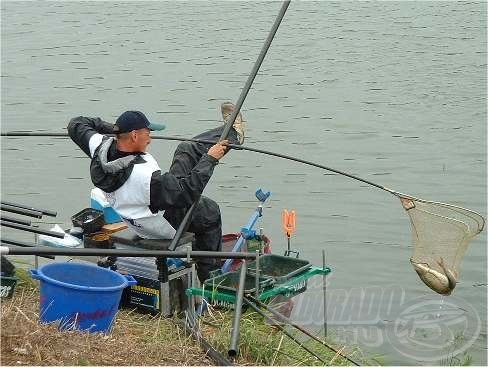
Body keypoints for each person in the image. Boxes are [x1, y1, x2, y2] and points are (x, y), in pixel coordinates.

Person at [67, 103, 244, 281]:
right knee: (208, 210)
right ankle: (211, 279)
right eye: (148, 133)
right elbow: (186, 193)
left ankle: (232, 134)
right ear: (135, 135)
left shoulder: (100, 148)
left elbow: (76, 124)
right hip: (162, 225)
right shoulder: (143, 177)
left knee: (186, 148)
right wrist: (210, 159)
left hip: (138, 214)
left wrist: (116, 130)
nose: (150, 138)